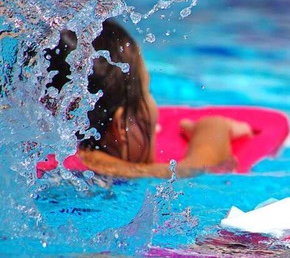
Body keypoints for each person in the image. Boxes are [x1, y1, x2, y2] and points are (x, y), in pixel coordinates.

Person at [43, 18, 251, 179]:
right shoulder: (121, 173)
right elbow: (198, 169)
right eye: (148, 92)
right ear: (122, 127)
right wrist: (213, 128)